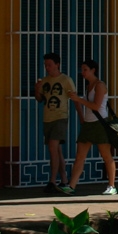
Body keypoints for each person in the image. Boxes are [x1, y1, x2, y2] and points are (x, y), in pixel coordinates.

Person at [61, 58, 117, 196]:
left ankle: (112, 185)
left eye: (85, 69)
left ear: (93, 70)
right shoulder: (89, 86)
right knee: (80, 156)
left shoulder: (100, 85)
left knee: (106, 155)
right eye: (82, 70)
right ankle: (71, 186)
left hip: (100, 124)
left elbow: (96, 106)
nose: (83, 72)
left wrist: (79, 99)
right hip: (88, 125)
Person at [33, 52, 75, 194]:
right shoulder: (45, 81)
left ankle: (52, 181)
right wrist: (37, 90)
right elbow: (40, 99)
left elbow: (74, 97)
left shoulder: (66, 80)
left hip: (60, 117)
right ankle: (64, 179)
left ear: (57, 64)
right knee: (56, 150)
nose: (47, 68)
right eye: (46, 65)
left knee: (53, 147)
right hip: (48, 117)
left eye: (50, 65)